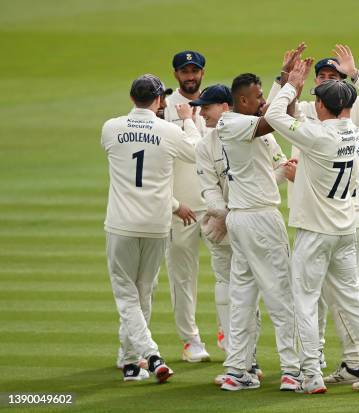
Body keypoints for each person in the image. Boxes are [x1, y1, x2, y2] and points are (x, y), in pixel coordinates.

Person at [265, 60, 359, 393]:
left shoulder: (319, 135)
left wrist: (292, 84)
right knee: (353, 300)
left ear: (322, 105)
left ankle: (310, 374)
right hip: (346, 229)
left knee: (305, 302)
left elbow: (274, 117)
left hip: (316, 232)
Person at [102, 74, 199, 382]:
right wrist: (188, 122)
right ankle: (130, 361)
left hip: (122, 224)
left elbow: (133, 175)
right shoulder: (169, 131)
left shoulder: (111, 128)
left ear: (132, 98)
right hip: (157, 224)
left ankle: (151, 355)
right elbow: (197, 154)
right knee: (143, 293)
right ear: (160, 101)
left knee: (128, 295)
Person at [213, 73, 301, 392]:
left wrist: (283, 79)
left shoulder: (250, 122)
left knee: (243, 297)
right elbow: (271, 119)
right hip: (259, 220)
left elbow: (267, 116)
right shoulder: (230, 123)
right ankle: (292, 370)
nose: (263, 99)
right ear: (242, 101)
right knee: (281, 294)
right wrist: (291, 87)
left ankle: (237, 370)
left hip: (243, 220)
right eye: (258, 96)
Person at [191, 84, 275, 384]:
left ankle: (256, 363)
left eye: (207, 107)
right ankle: (241, 361)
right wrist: (225, 216)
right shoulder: (204, 145)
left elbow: (275, 170)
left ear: (225, 106)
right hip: (221, 229)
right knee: (229, 293)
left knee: (257, 292)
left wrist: (236, 215)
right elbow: (208, 190)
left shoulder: (254, 132)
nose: (201, 112)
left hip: (250, 225)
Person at [163, 50, 211, 363]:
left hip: (213, 205)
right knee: (182, 277)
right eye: (185, 71)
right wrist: (171, 203)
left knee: (232, 273)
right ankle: (191, 340)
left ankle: (230, 337)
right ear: (176, 74)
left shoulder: (215, 104)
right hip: (180, 208)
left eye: (195, 70)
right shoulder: (161, 107)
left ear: (203, 73)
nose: (190, 76)